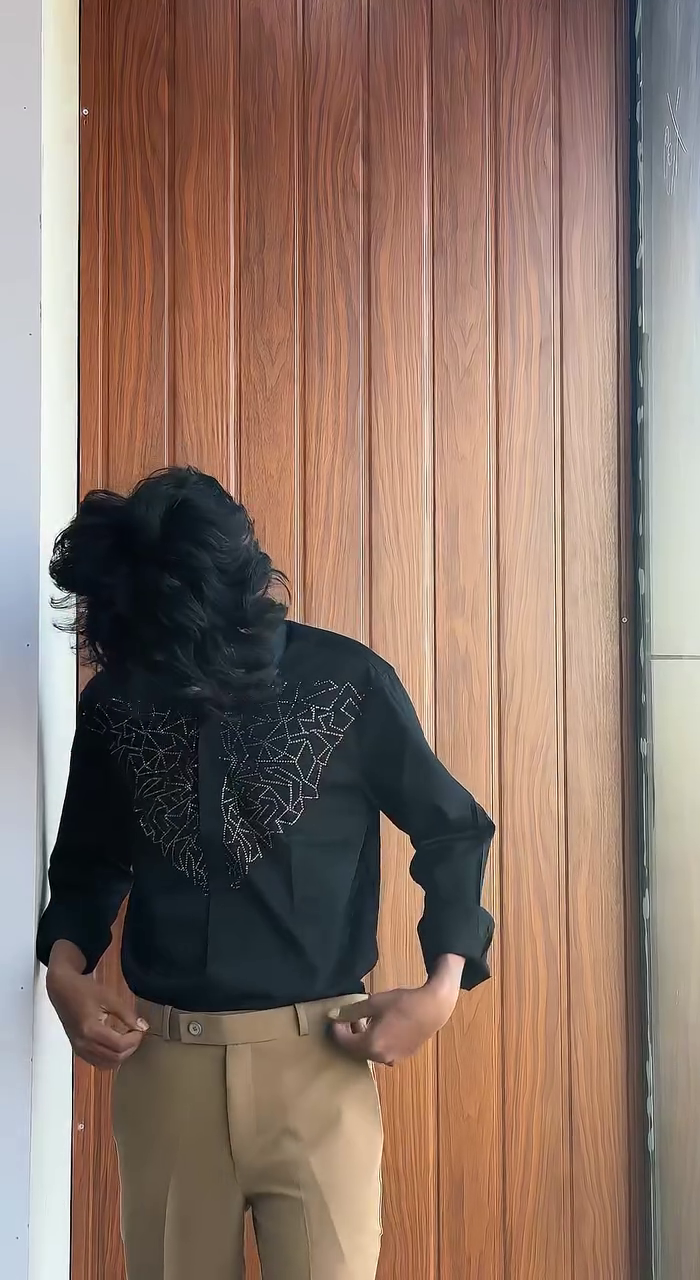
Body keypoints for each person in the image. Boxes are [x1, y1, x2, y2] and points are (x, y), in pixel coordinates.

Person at [37, 467, 495, 1280]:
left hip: (319, 1064)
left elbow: (451, 828)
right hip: (165, 1070)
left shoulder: (348, 683)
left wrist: (441, 991)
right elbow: (89, 860)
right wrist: (64, 974)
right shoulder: (117, 700)